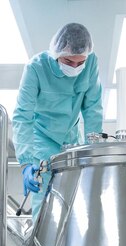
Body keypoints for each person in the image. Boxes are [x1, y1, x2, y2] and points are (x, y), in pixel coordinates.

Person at [12, 22, 103, 219]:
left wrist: (92, 151)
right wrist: (26, 163)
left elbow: (93, 108)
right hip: (41, 140)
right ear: (57, 53)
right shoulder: (35, 68)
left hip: (71, 138)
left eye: (80, 63)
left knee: (76, 198)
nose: (75, 67)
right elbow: (22, 115)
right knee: (44, 202)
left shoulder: (91, 62)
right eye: (69, 62)